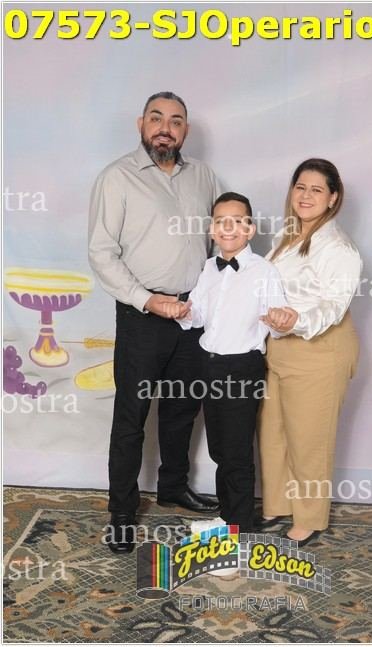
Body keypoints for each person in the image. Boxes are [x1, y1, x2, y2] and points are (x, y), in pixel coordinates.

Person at [88, 91, 220, 554]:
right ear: (141, 124)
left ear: (185, 130)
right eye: (157, 118)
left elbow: (216, 242)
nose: (166, 128)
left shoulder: (203, 176)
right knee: (132, 415)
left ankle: (173, 487)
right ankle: (122, 512)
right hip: (142, 316)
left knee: (183, 408)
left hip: (191, 315)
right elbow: (101, 253)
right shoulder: (117, 177)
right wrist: (147, 300)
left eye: (176, 121)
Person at [167, 192, 288, 535]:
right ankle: (227, 517)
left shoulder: (264, 271)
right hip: (209, 366)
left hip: (242, 368)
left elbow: (277, 326)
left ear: (250, 229)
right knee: (219, 446)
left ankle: (240, 528)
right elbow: (198, 315)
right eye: (221, 221)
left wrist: (280, 321)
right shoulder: (209, 267)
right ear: (211, 229)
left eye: (237, 221)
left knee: (236, 451)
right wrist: (182, 312)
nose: (228, 227)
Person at [257, 158, 362, 547]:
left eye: (316, 189)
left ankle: (309, 517)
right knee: (273, 432)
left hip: (319, 349)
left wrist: (295, 319)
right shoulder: (287, 235)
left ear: (333, 198)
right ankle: (279, 504)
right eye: (300, 187)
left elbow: (332, 306)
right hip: (279, 347)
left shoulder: (340, 249)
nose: (305, 196)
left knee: (309, 439)